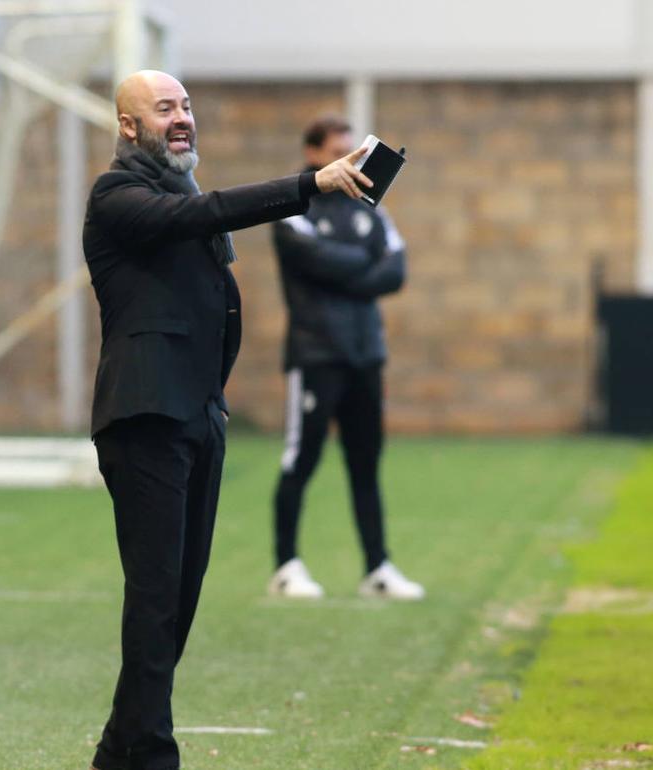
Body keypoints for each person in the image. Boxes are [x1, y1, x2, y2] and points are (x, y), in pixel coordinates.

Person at [82, 71, 375, 770]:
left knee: (177, 603)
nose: (182, 117)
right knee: (156, 600)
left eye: (186, 106)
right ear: (129, 127)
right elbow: (207, 214)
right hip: (145, 416)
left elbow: (202, 226)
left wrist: (214, 404)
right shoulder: (117, 196)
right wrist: (310, 184)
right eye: (164, 109)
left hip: (198, 415)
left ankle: (119, 752)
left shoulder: (180, 194)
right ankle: (151, 755)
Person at [266, 116, 423, 601]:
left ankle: (377, 568)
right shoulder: (294, 206)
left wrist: (347, 268)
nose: (351, 161)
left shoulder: (372, 207)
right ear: (314, 154)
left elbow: (396, 270)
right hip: (316, 354)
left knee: (365, 462)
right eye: (339, 152)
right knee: (302, 458)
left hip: (365, 354)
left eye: (354, 151)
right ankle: (286, 566)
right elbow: (317, 261)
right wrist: (363, 263)